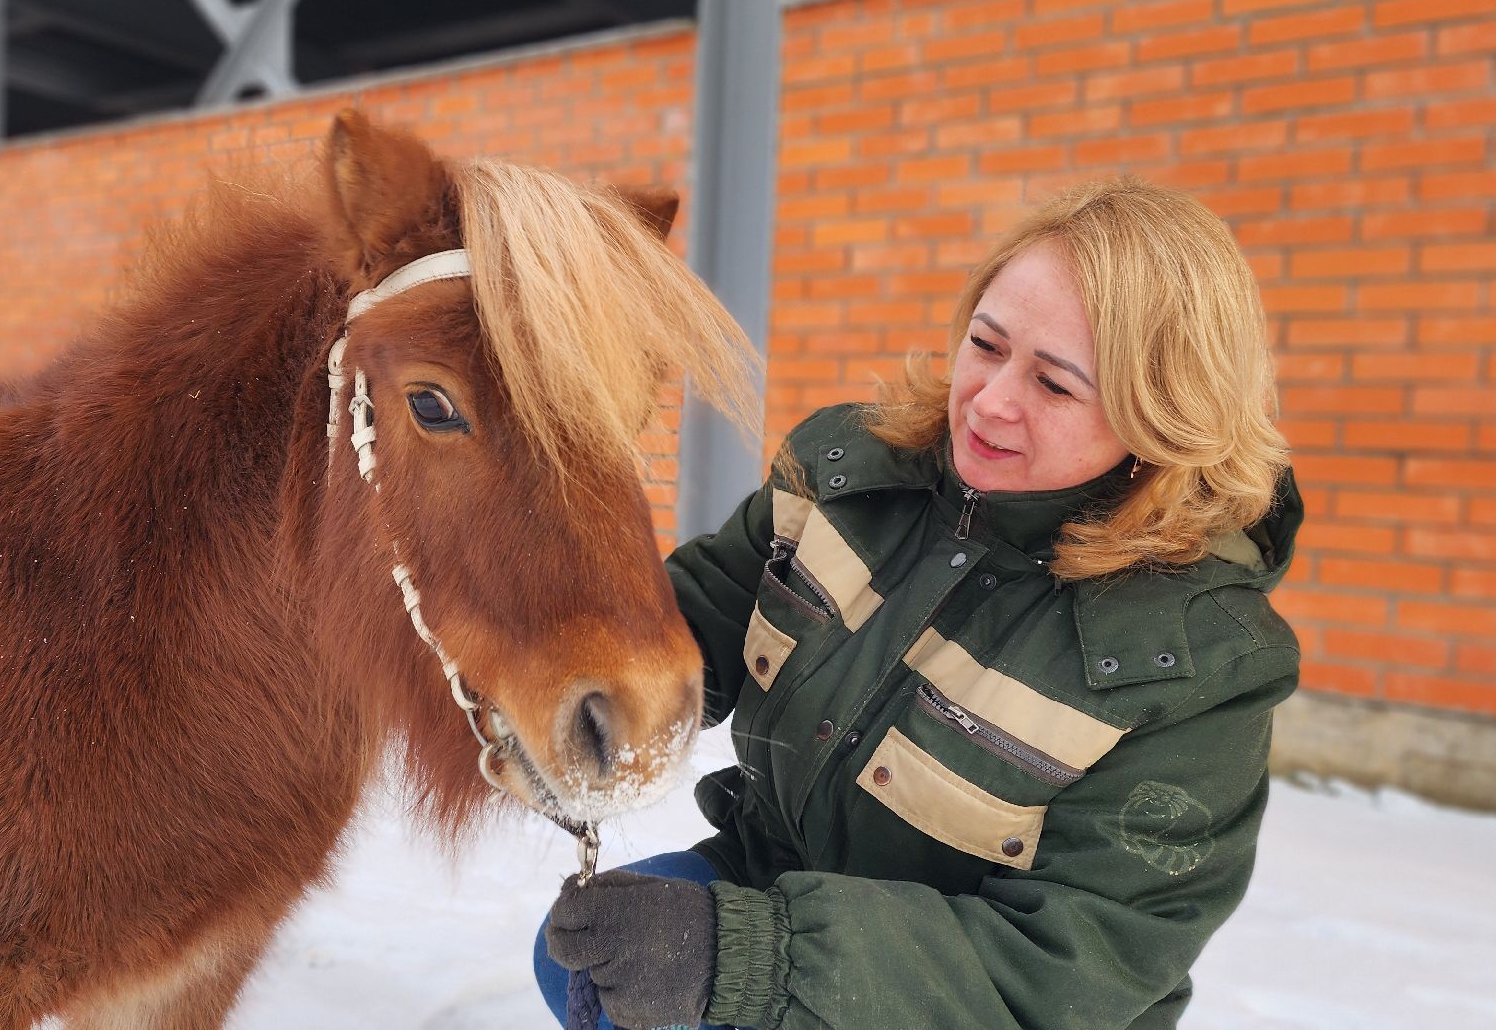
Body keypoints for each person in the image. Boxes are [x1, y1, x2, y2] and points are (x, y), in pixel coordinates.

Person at [536, 176, 1300, 1029]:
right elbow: (693, 618)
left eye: (1054, 385)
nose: (992, 399)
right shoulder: (847, 473)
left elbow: (1072, 962)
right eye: (986, 343)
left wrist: (744, 956)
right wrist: (562, 673)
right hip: (775, 884)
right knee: (584, 968)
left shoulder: (1196, 662)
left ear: (1158, 418)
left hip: (965, 1007)